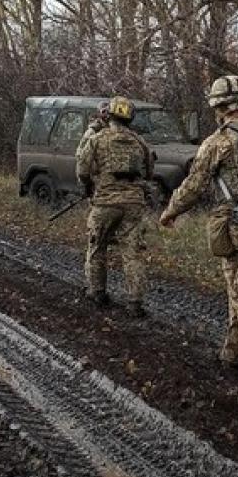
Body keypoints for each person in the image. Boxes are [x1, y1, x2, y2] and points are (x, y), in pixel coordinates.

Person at [159, 76, 238, 408]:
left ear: (218, 107)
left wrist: (170, 212)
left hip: (236, 226)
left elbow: (193, 184)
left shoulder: (219, 142)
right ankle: (233, 352)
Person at [76, 96, 154, 315]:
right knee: (133, 253)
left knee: (97, 247)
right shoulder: (140, 142)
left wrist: (89, 186)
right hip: (134, 204)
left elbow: (82, 169)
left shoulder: (97, 139)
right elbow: (149, 172)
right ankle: (134, 303)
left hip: (105, 203)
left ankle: (97, 292)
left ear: (108, 115)